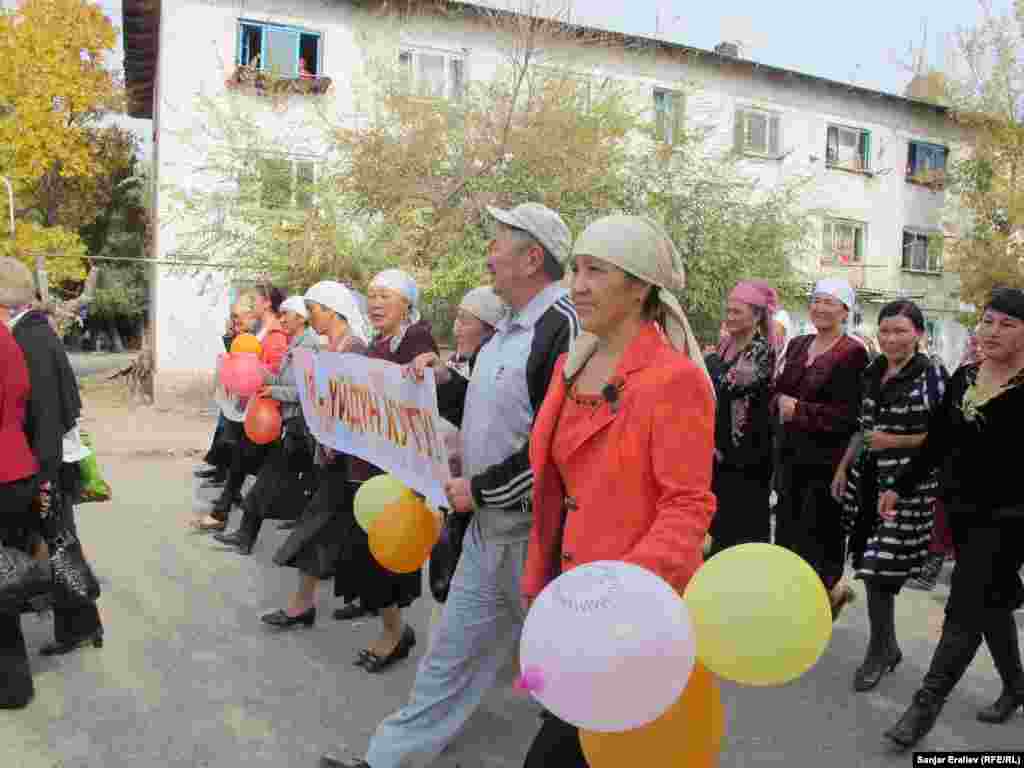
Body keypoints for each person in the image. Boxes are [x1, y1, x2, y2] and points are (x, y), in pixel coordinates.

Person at [320, 202, 577, 768]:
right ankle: (387, 760)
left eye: (498, 244)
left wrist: (481, 489)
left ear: (532, 257)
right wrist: (438, 382)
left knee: (576, 681)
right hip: (488, 532)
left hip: (543, 543)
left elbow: (559, 449)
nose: (489, 256)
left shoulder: (564, 328)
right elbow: (489, 416)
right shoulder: (509, 329)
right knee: (448, 657)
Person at [519, 215, 716, 766]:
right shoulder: (570, 363)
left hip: (626, 613)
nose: (577, 285)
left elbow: (687, 504)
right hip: (566, 597)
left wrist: (628, 594)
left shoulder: (673, 380)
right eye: (576, 269)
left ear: (639, 287)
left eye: (596, 271)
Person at [881, 288, 1024, 748]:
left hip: (1011, 519)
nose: (993, 331)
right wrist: (898, 488)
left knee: (965, 604)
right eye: (988, 321)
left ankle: (925, 706)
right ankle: (1017, 687)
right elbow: (937, 444)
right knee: (991, 602)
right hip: (964, 513)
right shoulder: (964, 378)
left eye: (1008, 323)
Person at [830, 300, 946, 692]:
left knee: (878, 572)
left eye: (901, 331)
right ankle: (889, 646)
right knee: (871, 564)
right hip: (867, 483)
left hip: (908, 488)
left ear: (919, 334)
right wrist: (845, 465)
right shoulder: (872, 371)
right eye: (886, 331)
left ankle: (878, 652)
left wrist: (894, 439)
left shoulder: (932, 375)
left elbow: (943, 437)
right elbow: (862, 428)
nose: (892, 339)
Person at [331, 269, 439, 666]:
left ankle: (394, 634)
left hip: (396, 473)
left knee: (384, 557)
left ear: (407, 303)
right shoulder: (378, 342)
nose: (375, 303)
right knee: (365, 558)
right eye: (371, 296)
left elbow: (422, 394)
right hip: (367, 465)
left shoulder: (417, 340)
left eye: (385, 296)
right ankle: (393, 628)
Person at [2, 259, 104, 657]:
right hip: (45, 460)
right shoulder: (34, 331)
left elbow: (45, 416)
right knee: (60, 542)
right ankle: (81, 622)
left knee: (59, 543)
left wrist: (42, 479)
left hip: (44, 463)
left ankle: (77, 623)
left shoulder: (29, 337)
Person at [263, 282, 371, 629]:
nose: (311, 317)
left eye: (315, 310)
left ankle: (389, 618)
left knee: (328, 527)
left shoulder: (354, 348)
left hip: (349, 459)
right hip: (329, 454)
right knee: (324, 529)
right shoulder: (329, 348)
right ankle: (307, 604)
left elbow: (352, 404)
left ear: (333, 310)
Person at [773, 278, 869, 621]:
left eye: (831, 303)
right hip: (790, 456)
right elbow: (779, 391)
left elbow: (849, 416)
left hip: (826, 461)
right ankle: (787, 600)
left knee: (819, 533)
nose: (821, 308)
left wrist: (798, 410)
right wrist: (781, 403)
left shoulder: (853, 352)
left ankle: (823, 597)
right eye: (817, 301)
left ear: (845, 310)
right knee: (786, 528)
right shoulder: (798, 344)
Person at [214, 296, 320, 554]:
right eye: (281, 313)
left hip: (301, 429)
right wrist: (258, 371)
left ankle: (249, 537)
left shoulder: (308, 348)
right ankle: (245, 537)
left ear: (301, 318)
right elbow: (282, 381)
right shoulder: (295, 344)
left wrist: (272, 389)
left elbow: (303, 392)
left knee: (282, 485)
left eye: (286, 314)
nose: (281, 318)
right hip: (291, 427)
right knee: (270, 482)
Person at [196, 288, 288, 532]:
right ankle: (227, 511)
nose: (250, 305)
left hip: (265, 412)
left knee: (249, 464)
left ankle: (226, 513)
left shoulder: (276, 335)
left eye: (254, 301)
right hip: (251, 409)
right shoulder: (260, 331)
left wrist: (254, 370)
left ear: (267, 303)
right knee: (243, 462)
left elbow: (276, 373)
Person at [707, 280, 778, 556]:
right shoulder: (724, 346)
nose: (730, 317)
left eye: (737, 312)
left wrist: (708, 363)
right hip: (718, 451)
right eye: (729, 311)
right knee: (716, 527)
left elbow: (729, 383)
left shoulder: (761, 350)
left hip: (748, 456)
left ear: (757, 315)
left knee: (743, 531)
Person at [0, 285, 40, 709]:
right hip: (16, 468)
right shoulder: (8, 340)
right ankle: (13, 683)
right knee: (4, 583)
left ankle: (11, 685)